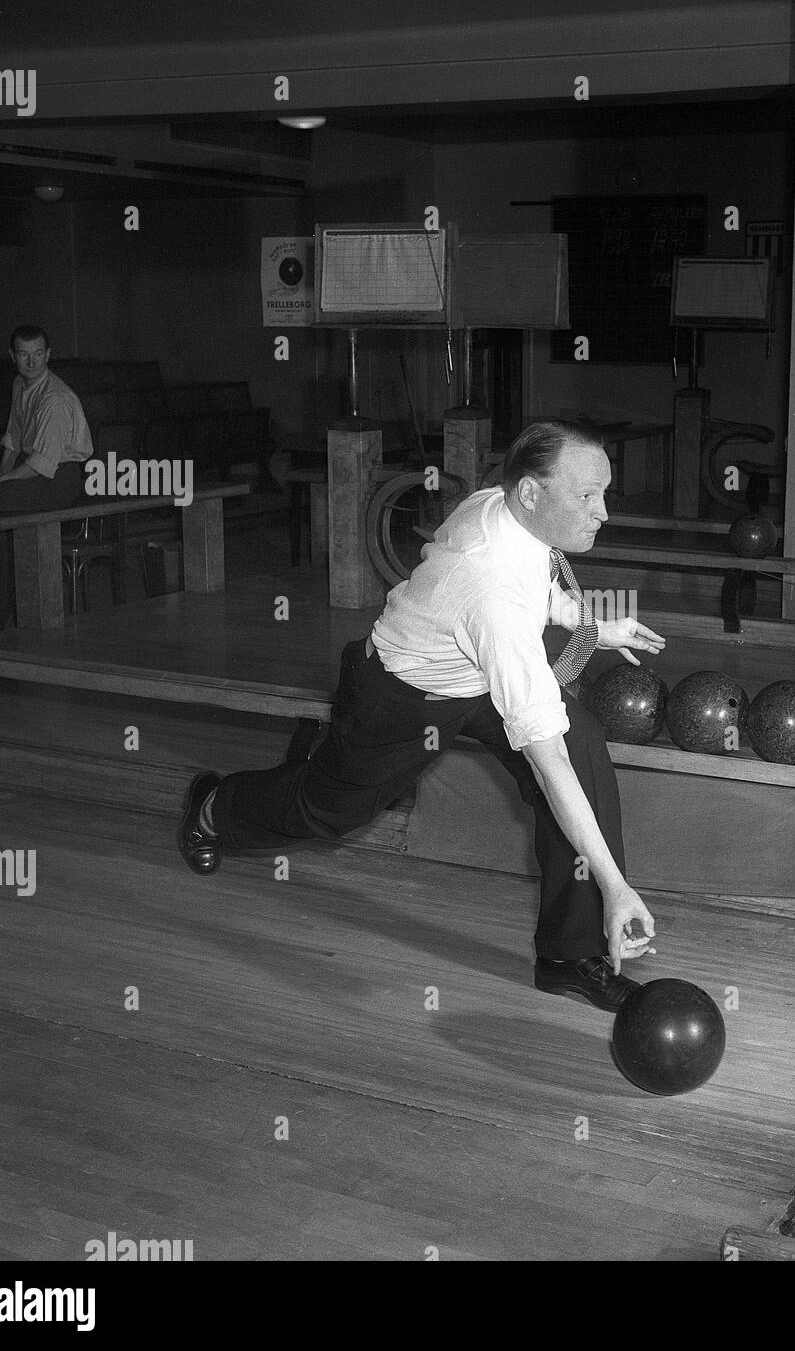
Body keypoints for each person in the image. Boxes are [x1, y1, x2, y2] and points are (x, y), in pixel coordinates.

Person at [178, 421, 666, 1011]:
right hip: (402, 694)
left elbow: (534, 576)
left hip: (478, 672)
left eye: (604, 492)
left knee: (582, 745)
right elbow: (545, 758)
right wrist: (616, 886)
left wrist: (584, 622)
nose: (604, 512)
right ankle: (214, 808)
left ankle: (569, 953)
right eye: (588, 496)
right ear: (531, 493)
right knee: (332, 813)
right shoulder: (493, 595)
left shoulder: (499, 502)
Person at [0, 324, 93, 636]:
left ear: (48, 355)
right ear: (13, 356)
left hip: (57, 481)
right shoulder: (20, 384)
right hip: (30, 476)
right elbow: (13, 441)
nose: (31, 362)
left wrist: (2, 483)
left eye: (38, 354)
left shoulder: (54, 398)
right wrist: (1, 474)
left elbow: (41, 464)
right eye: (24, 355)